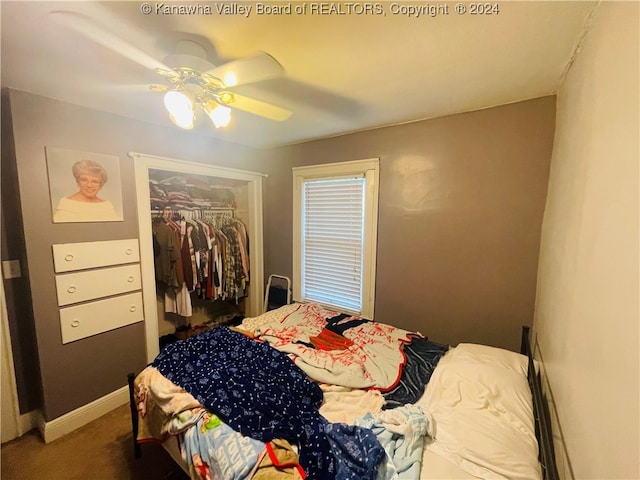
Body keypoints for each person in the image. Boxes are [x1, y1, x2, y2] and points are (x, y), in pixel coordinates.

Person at [53, 160, 121, 222]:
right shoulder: (67, 205)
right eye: (84, 180)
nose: (89, 185)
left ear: (101, 185)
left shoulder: (106, 206)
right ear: (78, 182)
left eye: (95, 181)